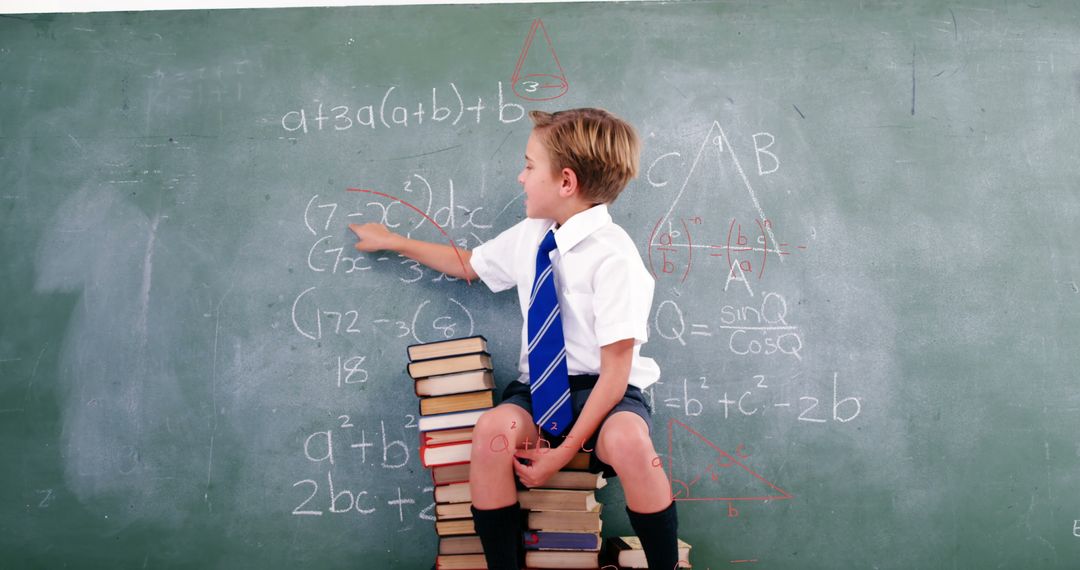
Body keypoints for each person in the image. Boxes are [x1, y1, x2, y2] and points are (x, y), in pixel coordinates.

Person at [349, 108, 679, 570]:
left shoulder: (615, 258)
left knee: (631, 443)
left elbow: (615, 375)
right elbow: (470, 265)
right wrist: (394, 242)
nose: (519, 177)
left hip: (604, 396)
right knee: (490, 433)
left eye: (528, 165)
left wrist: (561, 455)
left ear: (566, 182)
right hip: (538, 395)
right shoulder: (534, 235)